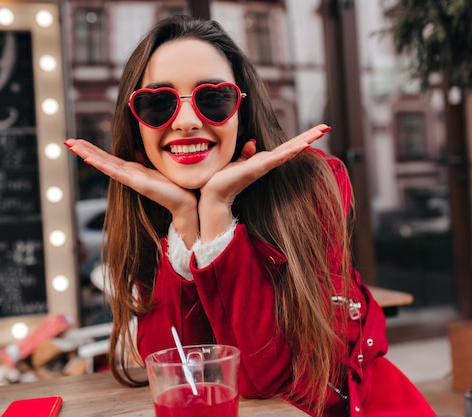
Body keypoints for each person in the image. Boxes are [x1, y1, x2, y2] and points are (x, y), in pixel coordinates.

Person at [64, 15, 436, 417]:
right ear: (137, 127)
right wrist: (186, 218)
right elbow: (179, 375)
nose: (187, 122)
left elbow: (265, 380)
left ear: (243, 110)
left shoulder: (313, 184)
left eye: (213, 98)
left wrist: (217, 211)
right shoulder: (150, 211)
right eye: (158, 103)